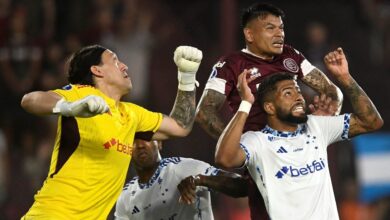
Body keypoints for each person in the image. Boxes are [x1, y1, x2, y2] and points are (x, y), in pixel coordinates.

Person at [20, 44, 202, 219]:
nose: (125, 66)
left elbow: (181, 126)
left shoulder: (132, 114)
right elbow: (30, 100)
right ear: (97, 70)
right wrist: (70, 107)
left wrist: (187, 76)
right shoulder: (82, 94)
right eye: (115, 61)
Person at [196, 3, 343, 219]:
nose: (279, 34)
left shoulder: (290, 56)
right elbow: (204, 111)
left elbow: (331, 90)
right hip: (264, 157)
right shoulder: (231, 64)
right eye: (270, 28)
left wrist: (333, 107)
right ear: (250, 33)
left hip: (301, 150)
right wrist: (241, 144)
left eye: (281, 28)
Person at [215, 47, 383, 219]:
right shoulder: (257, 141)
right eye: (288, 93)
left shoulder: (317, 126)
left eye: (298, 91)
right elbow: (225, 158)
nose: (299, 97)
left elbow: (371, 121)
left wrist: (345, 78)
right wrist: (245, 104)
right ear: (269, 107)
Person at [114, 134, 248, 220]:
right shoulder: (125, 197)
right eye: (132, 140)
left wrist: (201, 180)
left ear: (159, 143)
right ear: (125, 149)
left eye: (147, 138)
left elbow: (242, 186)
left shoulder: (186, 168)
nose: (140, 145)